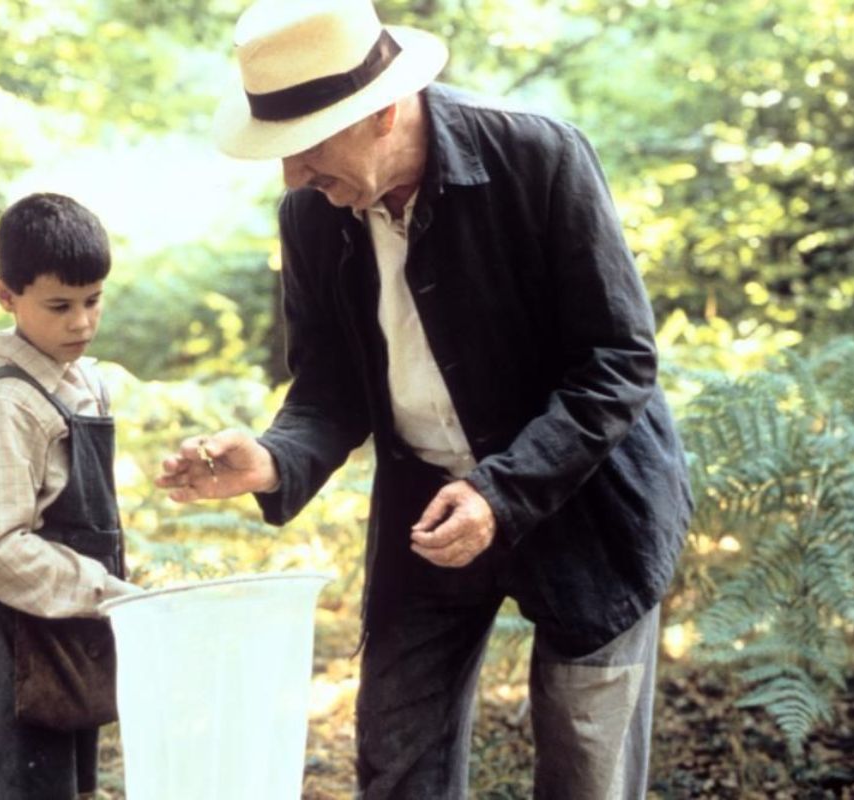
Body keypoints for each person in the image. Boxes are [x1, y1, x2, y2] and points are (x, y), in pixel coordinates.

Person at [156, 1, 694, 797]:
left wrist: (500, 493)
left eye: (302, 147)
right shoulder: (311, 215)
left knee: (589, 765)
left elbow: (618, 359)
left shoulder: (539, 158)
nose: (292, 174)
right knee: (395, 753)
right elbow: (330, 390)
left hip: (587, 500)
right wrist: (271, 459)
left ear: (380, 112)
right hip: (425, 510)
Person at [0, 192, 141, 798]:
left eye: (93, 301)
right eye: (59, 306)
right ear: (6, 296)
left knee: (73, 786)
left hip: (72, 626)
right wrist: (107, 591)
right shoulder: (5, 406)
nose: (81, 322)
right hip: (18, 637)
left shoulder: (82, 380)